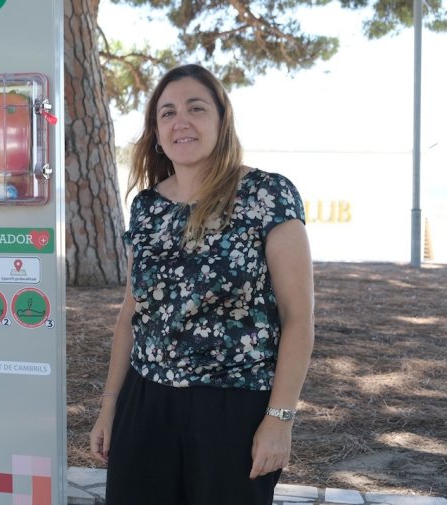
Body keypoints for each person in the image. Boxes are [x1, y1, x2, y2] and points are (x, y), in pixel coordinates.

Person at [89, 63, 314, 505]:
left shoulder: (268, 195)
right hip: (145, 402)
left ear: (221, 121)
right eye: (167, 113)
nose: (181, 122)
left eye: (196, 108)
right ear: (156, 131)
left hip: (234, 410)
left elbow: (298, 318)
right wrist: (110, 405)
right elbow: (130, 316)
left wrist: (280, 419)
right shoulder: (148, 207)